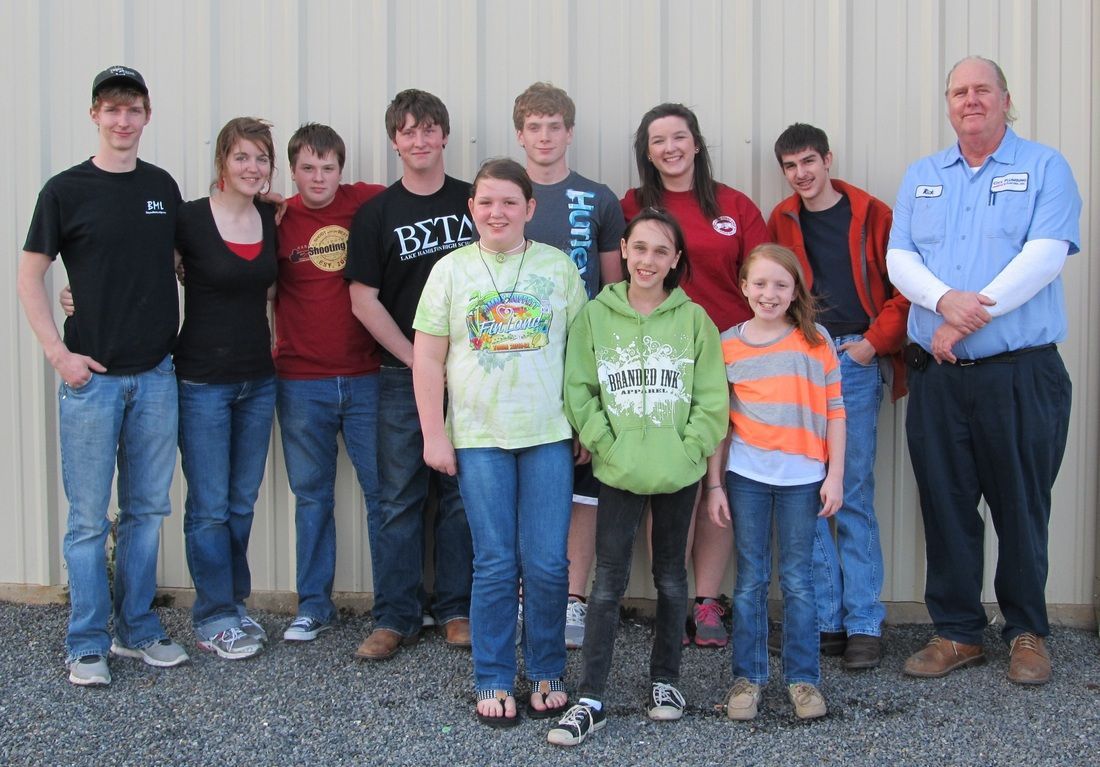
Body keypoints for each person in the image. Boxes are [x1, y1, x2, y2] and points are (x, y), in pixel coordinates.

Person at [886, 56, 1081, 685]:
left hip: (1019, 375)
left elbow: (1044, 257)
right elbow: (900, 260)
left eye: (982, 90)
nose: (971, 100)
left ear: (1005, 99)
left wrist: (962, 317)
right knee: (945, 505)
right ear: (948, 104)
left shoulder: (1044, 167)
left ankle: (1026, 631)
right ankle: (957, 632)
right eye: (959, 92)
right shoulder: (923, 177)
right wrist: (943, 302)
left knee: (1022, 504)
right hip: (941, 381)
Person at [17, 66, 188, 685]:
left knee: (146, 510)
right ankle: (87, 640)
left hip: (156, 375)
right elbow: (30, 273)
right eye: (111, 109)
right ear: (95, 115)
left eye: (133, 109)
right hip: (90, 379)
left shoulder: (162, 187)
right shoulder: (65, 190)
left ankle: (138, 628)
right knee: (89, 517)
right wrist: (57, 354)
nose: (122, 120)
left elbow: (176, 259)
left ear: (147, 115)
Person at [412, 158, 586, 727]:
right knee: (493, 562)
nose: (497, 212)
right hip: (479, 437)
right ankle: (491, 675)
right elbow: (428, 357)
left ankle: (545, 668)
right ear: (472, 208)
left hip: (548, 436)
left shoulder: (558, 269)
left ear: (530, 209)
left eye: (510, 202)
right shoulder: (450, 271)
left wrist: (584, 424)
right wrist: (434, 434)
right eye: (486, 201)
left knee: (545, 563)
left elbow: (580, 356)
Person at [549, 208, 727, 747]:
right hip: (618, 470)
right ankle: (590, 698)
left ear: (675, 260)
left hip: (678, 472)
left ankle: (665, 682)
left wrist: (687, 449)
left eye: (661, 252)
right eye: (640, 248)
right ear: (623, 249)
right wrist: (609, 444)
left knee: (672, 579)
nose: (649, 260)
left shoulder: (694, 321)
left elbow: (713, 401)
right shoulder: (595, 317)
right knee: (607, 583)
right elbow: (578, 389)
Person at [622, 103, 769, 647]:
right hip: (658, 362)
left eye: (679, 137)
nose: (670, 148)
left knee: (717, 481)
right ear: (647, 151)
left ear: (697, 143)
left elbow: (766, 280)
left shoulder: (733, 206)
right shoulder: (633, 207)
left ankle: (707, 602)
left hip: (729, 360)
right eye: (657, 140)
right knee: (672, 480)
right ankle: (673, 597)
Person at [766, 123, 910, 669]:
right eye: (790, 166)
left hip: (853, 354)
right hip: (803, 355)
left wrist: (873, 346)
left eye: (808, 162)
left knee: (849, 489)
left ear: (828, 159)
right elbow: (771, 285)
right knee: (807, 488)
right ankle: (824, 621)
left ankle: (864, 623)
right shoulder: (783, 219)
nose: (801, 174)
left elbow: (904, 290)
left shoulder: (873, 215)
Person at [346, 89, 474, 659]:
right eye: (408, 131)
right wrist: (415, 360)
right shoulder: (377, 213)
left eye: (429, 129)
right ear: (394, 140)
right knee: (398, 496)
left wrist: (456, 364)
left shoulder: (475, 201)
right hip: (401, 376)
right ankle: (394, 616)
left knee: (462, 496)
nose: (419, 140)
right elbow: (363, 299)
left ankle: (457, 609)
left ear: (444, 135)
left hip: (474, 374)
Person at [707, 243, 846, 721]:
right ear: (744, 287)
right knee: (749, 582)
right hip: (746, 477)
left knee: (799, 582)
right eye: (760, 283)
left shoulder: (815, 340)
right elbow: (720, 423)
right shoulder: (728, 344)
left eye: (780, 285)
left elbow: (836, 411)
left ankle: (803, 680)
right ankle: (748, 678)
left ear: (794, 291)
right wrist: (714, 485)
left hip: (803, 480)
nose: (769, 293)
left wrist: (835, 477)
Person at [512, 82, 625, 649]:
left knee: (584, 481)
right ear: (520, 134)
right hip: (513, 361)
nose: (545, 136)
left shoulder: (598, 198)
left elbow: (614, 289)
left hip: (581, 359)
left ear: (570, 132)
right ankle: (527, 596)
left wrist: (604, 368)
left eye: (554, 126)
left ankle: (573, 600)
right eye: (534, 127)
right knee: (523, 475)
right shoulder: (506, 194)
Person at [274, 124, 386, 642]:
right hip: (301, 381)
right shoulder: (275, 218)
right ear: (291, 171)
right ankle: (314, 605)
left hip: (366, 377)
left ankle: (393, 606)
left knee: (384, 493)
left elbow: (414, 198)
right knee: (312, 496)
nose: (318, 177)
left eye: (328, 167)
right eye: (307, 167)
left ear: (342, 170)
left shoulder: (364, 203)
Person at [174, 117, 279, 659]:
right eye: (242, 157)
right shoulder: (188, 220)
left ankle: (233, 606)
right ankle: (212, 615)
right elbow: (141, 273)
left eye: (261, 158)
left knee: (241, 502)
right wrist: (79, 297)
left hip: (258, 381)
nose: (252, 167)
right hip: (202, 383)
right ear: (222, 161)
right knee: (210, 507)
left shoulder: (270, 216)